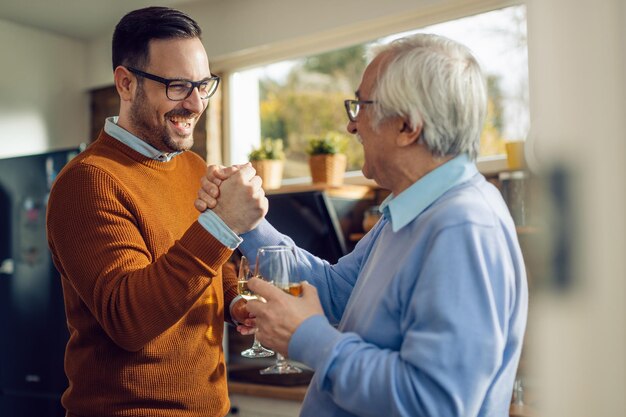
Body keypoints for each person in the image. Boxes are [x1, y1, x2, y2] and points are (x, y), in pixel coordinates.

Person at [197, 33, 528, 417]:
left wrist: (308, 337)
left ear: (408, 126)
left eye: (362, 107)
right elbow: (338, 292)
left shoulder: (462, 227)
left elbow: (433, 404)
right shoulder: (410, 210)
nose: (352, 127)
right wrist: (249, 222)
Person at [46, 7, 267, 417]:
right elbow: (130, 320)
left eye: (203, 85)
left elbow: (209, 267)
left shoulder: (193, 166)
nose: (196, 103)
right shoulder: (88, 182)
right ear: (126, 83)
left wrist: (235, 301)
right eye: (178, 86)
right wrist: (223, 225)